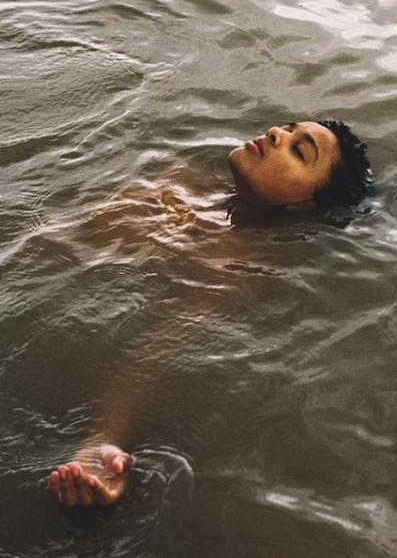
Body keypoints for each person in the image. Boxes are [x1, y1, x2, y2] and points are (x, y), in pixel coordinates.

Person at [47, 119, 371, 508]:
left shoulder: (235, 268)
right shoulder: (184, 179)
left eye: (299, 150)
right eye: (286, 127)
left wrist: (104, 438)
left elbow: (157, 348)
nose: (275, 134)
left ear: (304, 203)